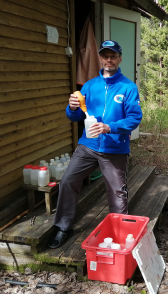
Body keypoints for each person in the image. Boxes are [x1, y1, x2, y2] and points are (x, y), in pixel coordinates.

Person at [48, 40, 142, 249]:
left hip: (115, 149)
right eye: (105, 55)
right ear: (100, 58)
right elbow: (75, 116)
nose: (109, 59)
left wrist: (110, 127)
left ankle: (120, 235)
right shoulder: (90, 86)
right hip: (88, 146)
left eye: (113, 56)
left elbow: (135, 118)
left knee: (117, 192)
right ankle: (63, 227)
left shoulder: (128, 87)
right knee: (68, 181)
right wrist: (71, 107)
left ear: (119, 59)